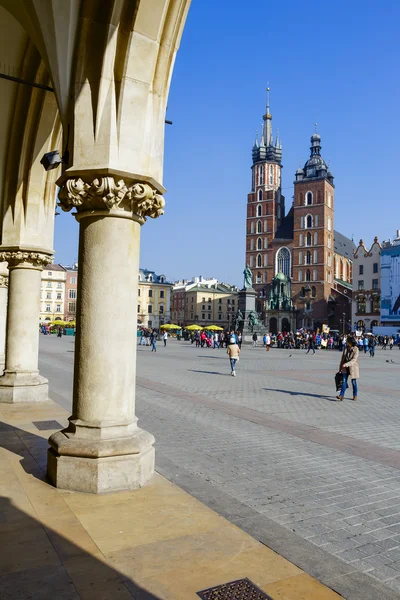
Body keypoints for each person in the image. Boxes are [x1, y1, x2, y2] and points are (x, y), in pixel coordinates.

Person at [337, 336, 359, 401]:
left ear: (350, 342)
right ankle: (341, 395)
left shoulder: (356, 349)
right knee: (344, 381)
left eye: (347, 341)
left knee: (354, 382)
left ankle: (355, 395)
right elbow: (342, 358)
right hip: (345, 368)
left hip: (353, 367)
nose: (346, 342)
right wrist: (340, 367)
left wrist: (346, 364)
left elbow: (354, 360)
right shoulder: (346, 348)